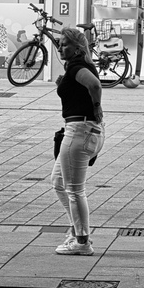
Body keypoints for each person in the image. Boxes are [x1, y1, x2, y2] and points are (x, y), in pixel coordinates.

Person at [51, 26, 105, 255]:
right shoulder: (75, 67)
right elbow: (82, 90)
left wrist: (97, 107)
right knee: (57, 182)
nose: (61, 47)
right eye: (60, 43)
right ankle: (76, 230)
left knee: (74, 189)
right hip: (82, 129)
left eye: (65, 44)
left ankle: (82, 242)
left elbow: (94, 85)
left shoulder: (77, 66)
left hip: (80, 131)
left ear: (77, 48)